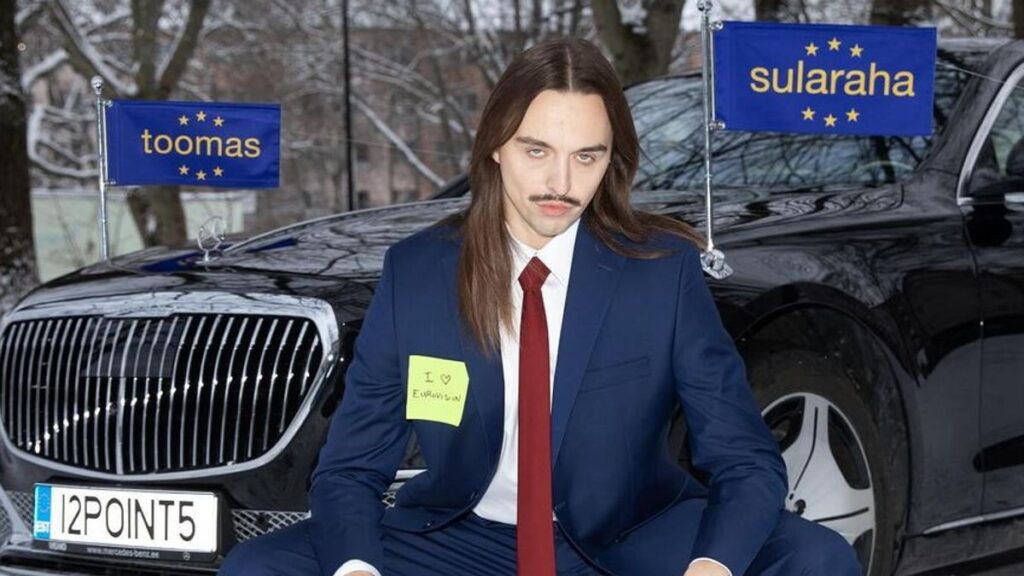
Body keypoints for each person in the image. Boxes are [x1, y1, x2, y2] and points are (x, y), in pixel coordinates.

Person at [221, 37, 861, 576]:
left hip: (629, 535)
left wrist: (713, 567)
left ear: (611, 161)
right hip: (459, 537)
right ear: (495, 146)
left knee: (815, 558)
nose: (560, 183)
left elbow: (745, 459)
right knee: (259, 568)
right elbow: (350, 469)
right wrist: (355, 569)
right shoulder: (418, 273)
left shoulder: (660, 272)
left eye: (587, 156)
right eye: (537, 151)